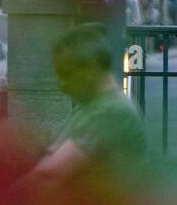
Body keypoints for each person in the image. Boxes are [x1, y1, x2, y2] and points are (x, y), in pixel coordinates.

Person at [24, 23, 145, 184]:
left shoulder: (110, 111)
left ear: (91, 68)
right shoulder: (94, 105)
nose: (62, 85)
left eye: (65, 73)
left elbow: (48, 175)